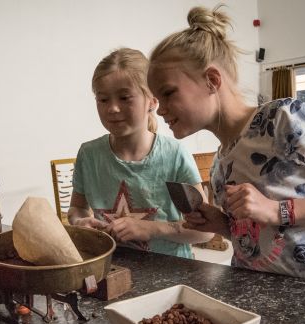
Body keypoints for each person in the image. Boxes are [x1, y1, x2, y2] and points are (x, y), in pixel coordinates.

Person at [147, 5, 305, 285]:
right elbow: (261, 237)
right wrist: (223, 225)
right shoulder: (220, 165)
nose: (159, 110)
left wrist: (278, 210)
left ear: (212, 80)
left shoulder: (283, 119)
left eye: (168, 93)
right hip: (256, 300)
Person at [68, 48, 213, 259]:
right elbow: (77, 209)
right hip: (112, 270)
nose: (113, 108)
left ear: (152, 101)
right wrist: (80, 222)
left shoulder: (174, 155)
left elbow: (205, 231)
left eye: (125, 97)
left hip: (170, 275)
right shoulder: (89, 155)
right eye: (103, 99)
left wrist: (150, 229)